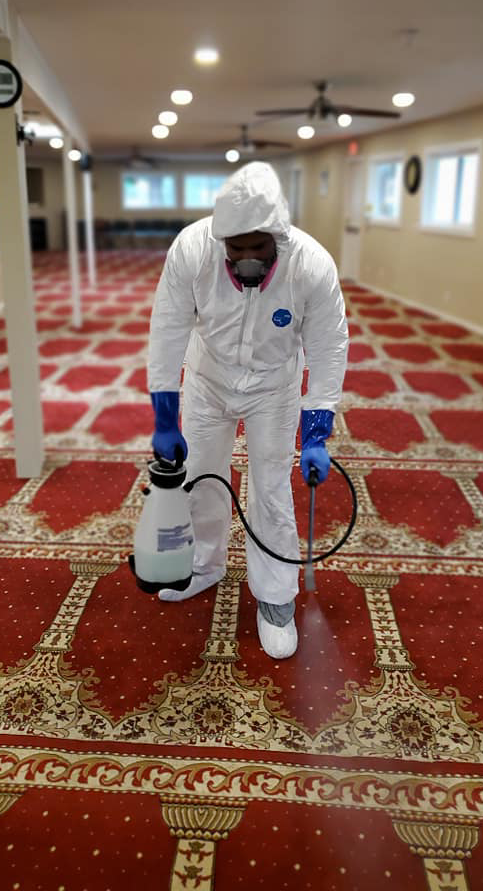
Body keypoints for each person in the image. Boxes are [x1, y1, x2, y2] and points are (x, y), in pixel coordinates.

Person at [147, 161, 348, 659]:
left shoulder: (312, 265)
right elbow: (167, 331)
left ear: (277, 235)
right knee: (201, 477)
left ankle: (276, 597)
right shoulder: (193, 250)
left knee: (271, 488)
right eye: (236, 250)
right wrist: (164, 419)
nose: (246, 259)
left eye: (257, 249)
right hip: (209, 379)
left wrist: (317, 432)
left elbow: (329, 347)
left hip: (272, 386)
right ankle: (203, 566)